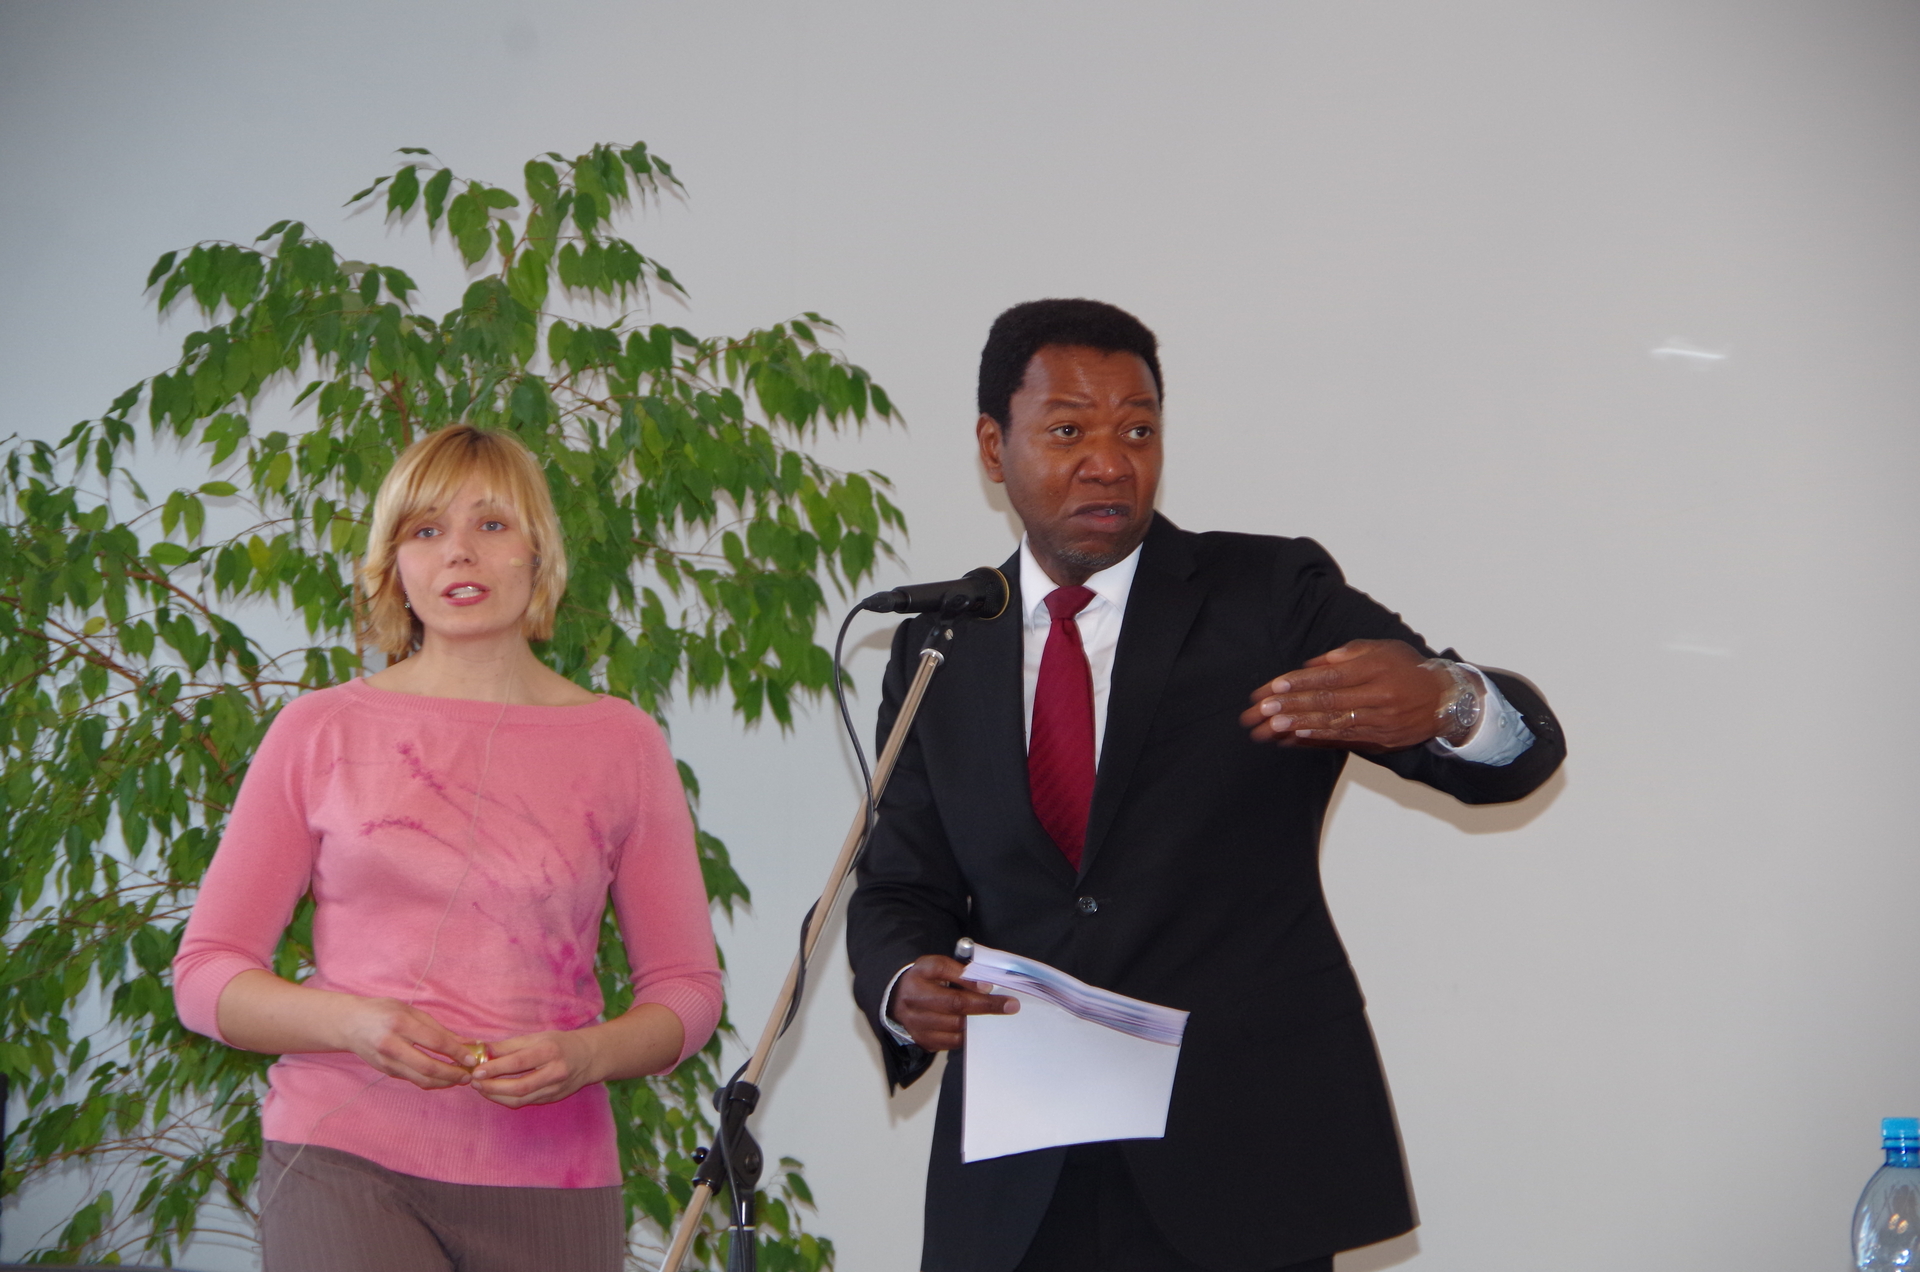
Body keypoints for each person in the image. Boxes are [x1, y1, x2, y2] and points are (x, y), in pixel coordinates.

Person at [845, 300, 1566, 1272]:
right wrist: (902, 982)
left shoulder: (1269, 597)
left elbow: (1517, 759)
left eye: (1138, 431)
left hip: (1240, 1163)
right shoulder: (942, 643)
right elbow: (901, 883)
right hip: (1019, 1182)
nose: (1110, 462)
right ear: (992, 446)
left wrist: (1449, 699)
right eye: (1069, 431)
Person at [173, 425, 723, 1272]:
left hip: (554, 1171)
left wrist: (586, 1055)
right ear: (394, 564)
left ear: (539, 553)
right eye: (426, 530)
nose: (459, 552)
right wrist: (352, 1022)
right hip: (340, 1148)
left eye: (491, 524)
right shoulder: (318, 729)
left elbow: (687, 992)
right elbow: (206, 974)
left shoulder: (623, 743)